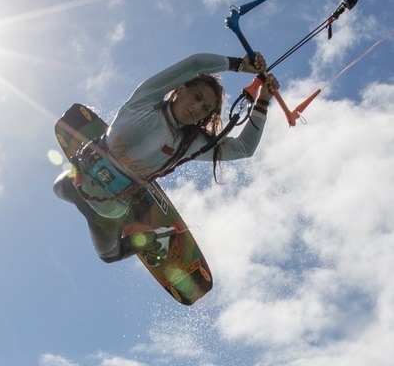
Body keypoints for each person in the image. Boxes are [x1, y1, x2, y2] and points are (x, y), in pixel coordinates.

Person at [54, 52, 278, 263]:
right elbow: (195, 65)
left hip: (107, 214)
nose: (197, 108)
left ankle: (157, 237)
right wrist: (238, 64)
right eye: (197, 97)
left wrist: (263, 102)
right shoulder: (145, 99)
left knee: (109, 256)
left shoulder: (189, 144)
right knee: (56, 188)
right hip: (77, 181)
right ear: (180, 89)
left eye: (206, 109)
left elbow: (244, 148)